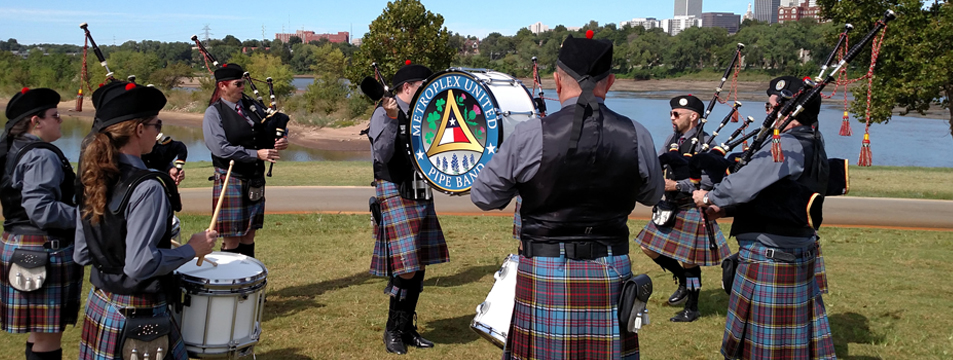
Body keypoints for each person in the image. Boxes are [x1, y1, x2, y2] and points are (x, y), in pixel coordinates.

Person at [471, 34, 664, 360]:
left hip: (546, 271)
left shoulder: (530, 135)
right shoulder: (638, 134)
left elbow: (484, 196)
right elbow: (652, 194)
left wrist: (523, 182)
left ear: (557, 81)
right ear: (610, 82)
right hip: (610, 270)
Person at [692, 76, 835, 359]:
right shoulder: (814, 141)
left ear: (789, 112)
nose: (768, 114)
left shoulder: (788, 145)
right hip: (792, 250)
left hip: (770, 255)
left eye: (772, 108)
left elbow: (744, 184)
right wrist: (726, 208)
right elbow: (772, 194)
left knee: (764, 351)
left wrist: (709, 198)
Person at [73, 81, 218, 360]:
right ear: (140, 129)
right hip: (138, 311)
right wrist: (192, 249)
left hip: (101, 302)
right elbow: (139, 265)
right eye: (156, 124)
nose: (159, 131)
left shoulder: (93, 174)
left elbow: (82, 251)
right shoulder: (148, 187)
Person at [367, 62, 449, 355]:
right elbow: (384, 154)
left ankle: (407, 328)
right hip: (393, 187)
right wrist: (391, 118)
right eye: (422, 86)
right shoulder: (382, 113)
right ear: (407, 87)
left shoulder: (423, 115)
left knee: (419, 263)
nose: (428, 91)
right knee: (407, 266)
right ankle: (392, 329)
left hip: (420, 188)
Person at [634, 95, 730, 322]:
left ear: (693, 116)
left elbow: (708, 182)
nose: (671, 118)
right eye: (671, 113)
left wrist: (677, 185)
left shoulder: (708, 145)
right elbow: (660, 161)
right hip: (670, 205)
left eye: (676, 114)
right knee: (648, 247)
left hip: (691, 206)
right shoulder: (673, 139)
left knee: (690, 261)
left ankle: (692, 307)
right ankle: (684, 281)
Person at [0, 88, 80, 360]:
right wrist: (88, 218)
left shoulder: (16, 146)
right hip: (41, 249)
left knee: (39, 332)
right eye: (55, 116)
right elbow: (43, 210)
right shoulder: (40, 155)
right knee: (48, 338)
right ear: (36, 121)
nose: (61, 120)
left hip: (23, 246)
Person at [202, 63, 288, 258]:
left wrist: (280, 140)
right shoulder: (213, 113)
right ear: (223, 86)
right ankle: (230, 280)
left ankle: (246, 280)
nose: (242, 87)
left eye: (242, 83)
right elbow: (219, 148)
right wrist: (256, 154)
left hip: (254, 177)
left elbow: (270, 127)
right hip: (230, 178)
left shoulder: (252, 107)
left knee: (249, 234)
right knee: (232, 237)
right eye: (238, 83)